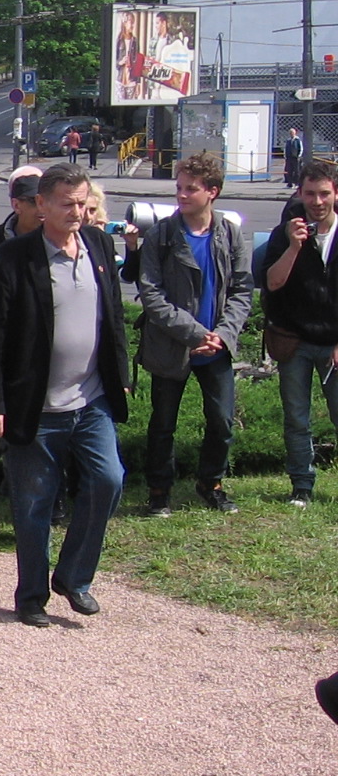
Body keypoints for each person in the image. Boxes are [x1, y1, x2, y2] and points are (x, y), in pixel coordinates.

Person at [0, 163, 130, 627]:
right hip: (35, 406)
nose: (77, 212)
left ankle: (74, 577)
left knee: (108, 480)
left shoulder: (99, 245)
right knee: (34, 505)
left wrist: (120, 374)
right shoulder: (13, 258)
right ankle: (30, 596)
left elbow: (114, 316)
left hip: (92, 400)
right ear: (41, 205)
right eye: (67, 204)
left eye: (83, 203)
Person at [137, 154, 254, 517]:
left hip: (216, 348)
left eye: (191, 189)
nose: (182, 195)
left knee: (221, 421)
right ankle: (159, 491)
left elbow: (242, 289)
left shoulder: (229, 232)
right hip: (172, 346)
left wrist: (222, 334)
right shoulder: (162, 235)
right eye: (179, 188)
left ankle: (211, 483)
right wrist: (194, 333)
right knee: (162, 424)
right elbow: (151, 294)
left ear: (212, 192)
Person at [261, 160, 338, 507]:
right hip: (295, 340)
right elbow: (273, 283)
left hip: (333, 342)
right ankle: (302, 486)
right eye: (310, 194)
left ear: (335, 194)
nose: (317, 202)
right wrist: (293, 246)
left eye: (324, 194)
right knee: (297, 417)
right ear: (300, 194)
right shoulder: (286, 233)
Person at [0, 172, 43, 252]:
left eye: (46, 201)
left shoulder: (56, 240)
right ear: (16, 205)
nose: (42, 208)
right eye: (34, 202)